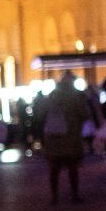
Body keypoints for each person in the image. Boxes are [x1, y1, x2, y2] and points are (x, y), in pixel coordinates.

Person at [35, 72, 92, 203]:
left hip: (53, 138)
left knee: (54, 169)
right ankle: (74, 195)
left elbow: (40, 114)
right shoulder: (75, 97)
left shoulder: (51, 96)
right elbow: (85, 114)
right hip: (71, 138)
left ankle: (54, 197)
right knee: (72, 169)